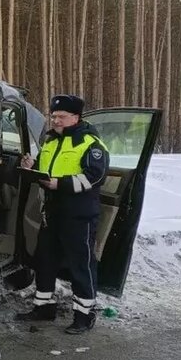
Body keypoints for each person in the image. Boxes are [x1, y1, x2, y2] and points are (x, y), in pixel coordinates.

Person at [15, 94, 110, 334]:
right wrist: (31, 167)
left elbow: (95, 176)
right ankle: (44, 307)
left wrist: (61, 185)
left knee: (81, 264)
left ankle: (85, 315)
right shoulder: (51, 142)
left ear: (75, 117)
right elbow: (47, 169)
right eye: (54, 116)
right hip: (51, 212)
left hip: (78, 215)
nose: (55, 120)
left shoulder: (90, 143)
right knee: (45, 260)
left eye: (61, 117)